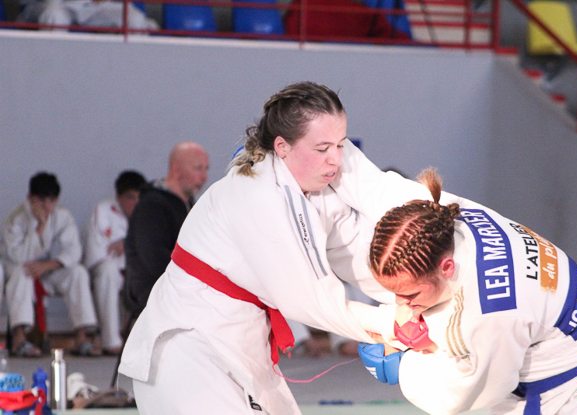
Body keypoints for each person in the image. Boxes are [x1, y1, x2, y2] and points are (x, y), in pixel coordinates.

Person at [119, 82, 399, 414]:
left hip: (237, 347)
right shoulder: (255, 193)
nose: (336, 159)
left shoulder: (313, 191)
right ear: (282, 147)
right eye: (323, 148)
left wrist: (413, 296)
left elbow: (358, 254)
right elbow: (308, 299)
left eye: (340, 145)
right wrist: (393, 324)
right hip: (187, 350)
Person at [335, 159, 577, 414]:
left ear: (446, 267)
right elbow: (370, 181)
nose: (401, 303)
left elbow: (468, 392)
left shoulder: (491, 310)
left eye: (410, 294)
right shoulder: (445, 217)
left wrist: (405, 366)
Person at [0, 172, 101, 357]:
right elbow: (18, 256)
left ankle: (82, 338)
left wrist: (49, 265)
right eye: (41, 200)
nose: (46, 206)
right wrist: (40, 228)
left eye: (51, 200)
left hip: (49, 271)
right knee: (23, 272)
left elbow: (74, 251)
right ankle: (19, 339)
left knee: (78, 272)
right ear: (30, 197)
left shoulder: (63, 216)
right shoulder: (16, 217)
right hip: (19, 271)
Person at [122, 141, 209, 317]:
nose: (204, 176)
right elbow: (155, 260)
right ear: (176, 170)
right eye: (198, 168)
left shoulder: (190, 205)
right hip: (156, 299)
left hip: (184, 292)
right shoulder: (151, 206)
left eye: (206, 169)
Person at [82, 170, 146, 356]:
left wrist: (129, 244)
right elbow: (98, 253)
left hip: (138, 270)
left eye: (139, 197)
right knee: (108, 272)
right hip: (111, 270)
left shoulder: (148, 212)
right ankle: (111, 341)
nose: (136, 202)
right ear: (118, 197)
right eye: (131, 197)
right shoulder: (103, 211)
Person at [17, 0, 158, 31]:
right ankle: (50, 72)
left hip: (94, 6)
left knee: (134, 19)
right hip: (54, 4)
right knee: (54, 17)